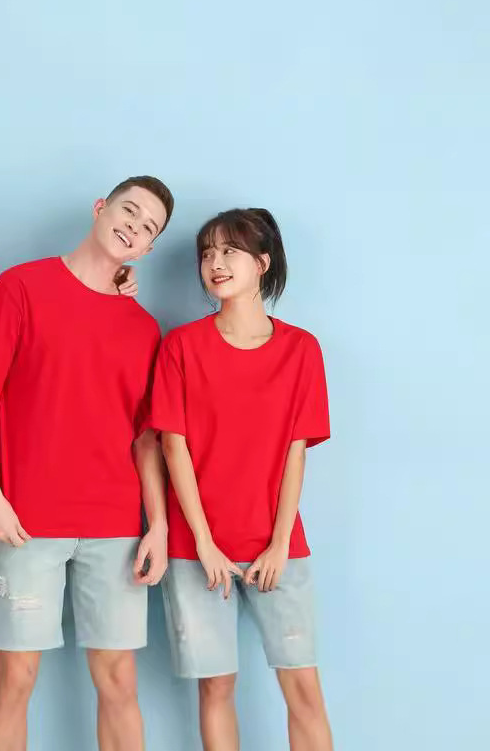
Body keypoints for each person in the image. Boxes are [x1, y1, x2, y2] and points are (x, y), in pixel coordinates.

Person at [0, 176, 174, 751]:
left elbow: (145, 440)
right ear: (101, 208)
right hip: (28, 522)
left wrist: (157, 525)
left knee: (119, 682)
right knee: (15, 678)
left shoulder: (143, 328)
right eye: (129, 210)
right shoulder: (21, 286)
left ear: (149, 248)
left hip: (115, 527)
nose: (133, 226)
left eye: (148, 227)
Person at [152, 208, 334, 751]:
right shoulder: (181, 346)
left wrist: (278, 544)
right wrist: (204, 544)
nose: (215, 262)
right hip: (195, 550)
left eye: (230, 251)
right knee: (216, 687)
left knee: (303, 688)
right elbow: (173, 448)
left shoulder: (301, 350)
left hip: (277, 544)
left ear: (263, 262)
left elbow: (295, 453)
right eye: (207, 253)